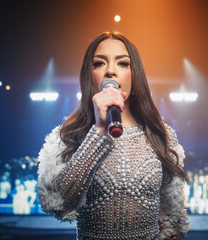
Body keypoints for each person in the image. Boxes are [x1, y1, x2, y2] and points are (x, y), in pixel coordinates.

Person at [36, 32, 190, 240]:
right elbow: (56, 203)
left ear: (135, 75)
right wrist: (99, 131)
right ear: (88, 77)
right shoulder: (68, 135)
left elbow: (173, 219)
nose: (110, 71)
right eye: (99, 63)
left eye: (123, 63)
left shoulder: (161, 135)